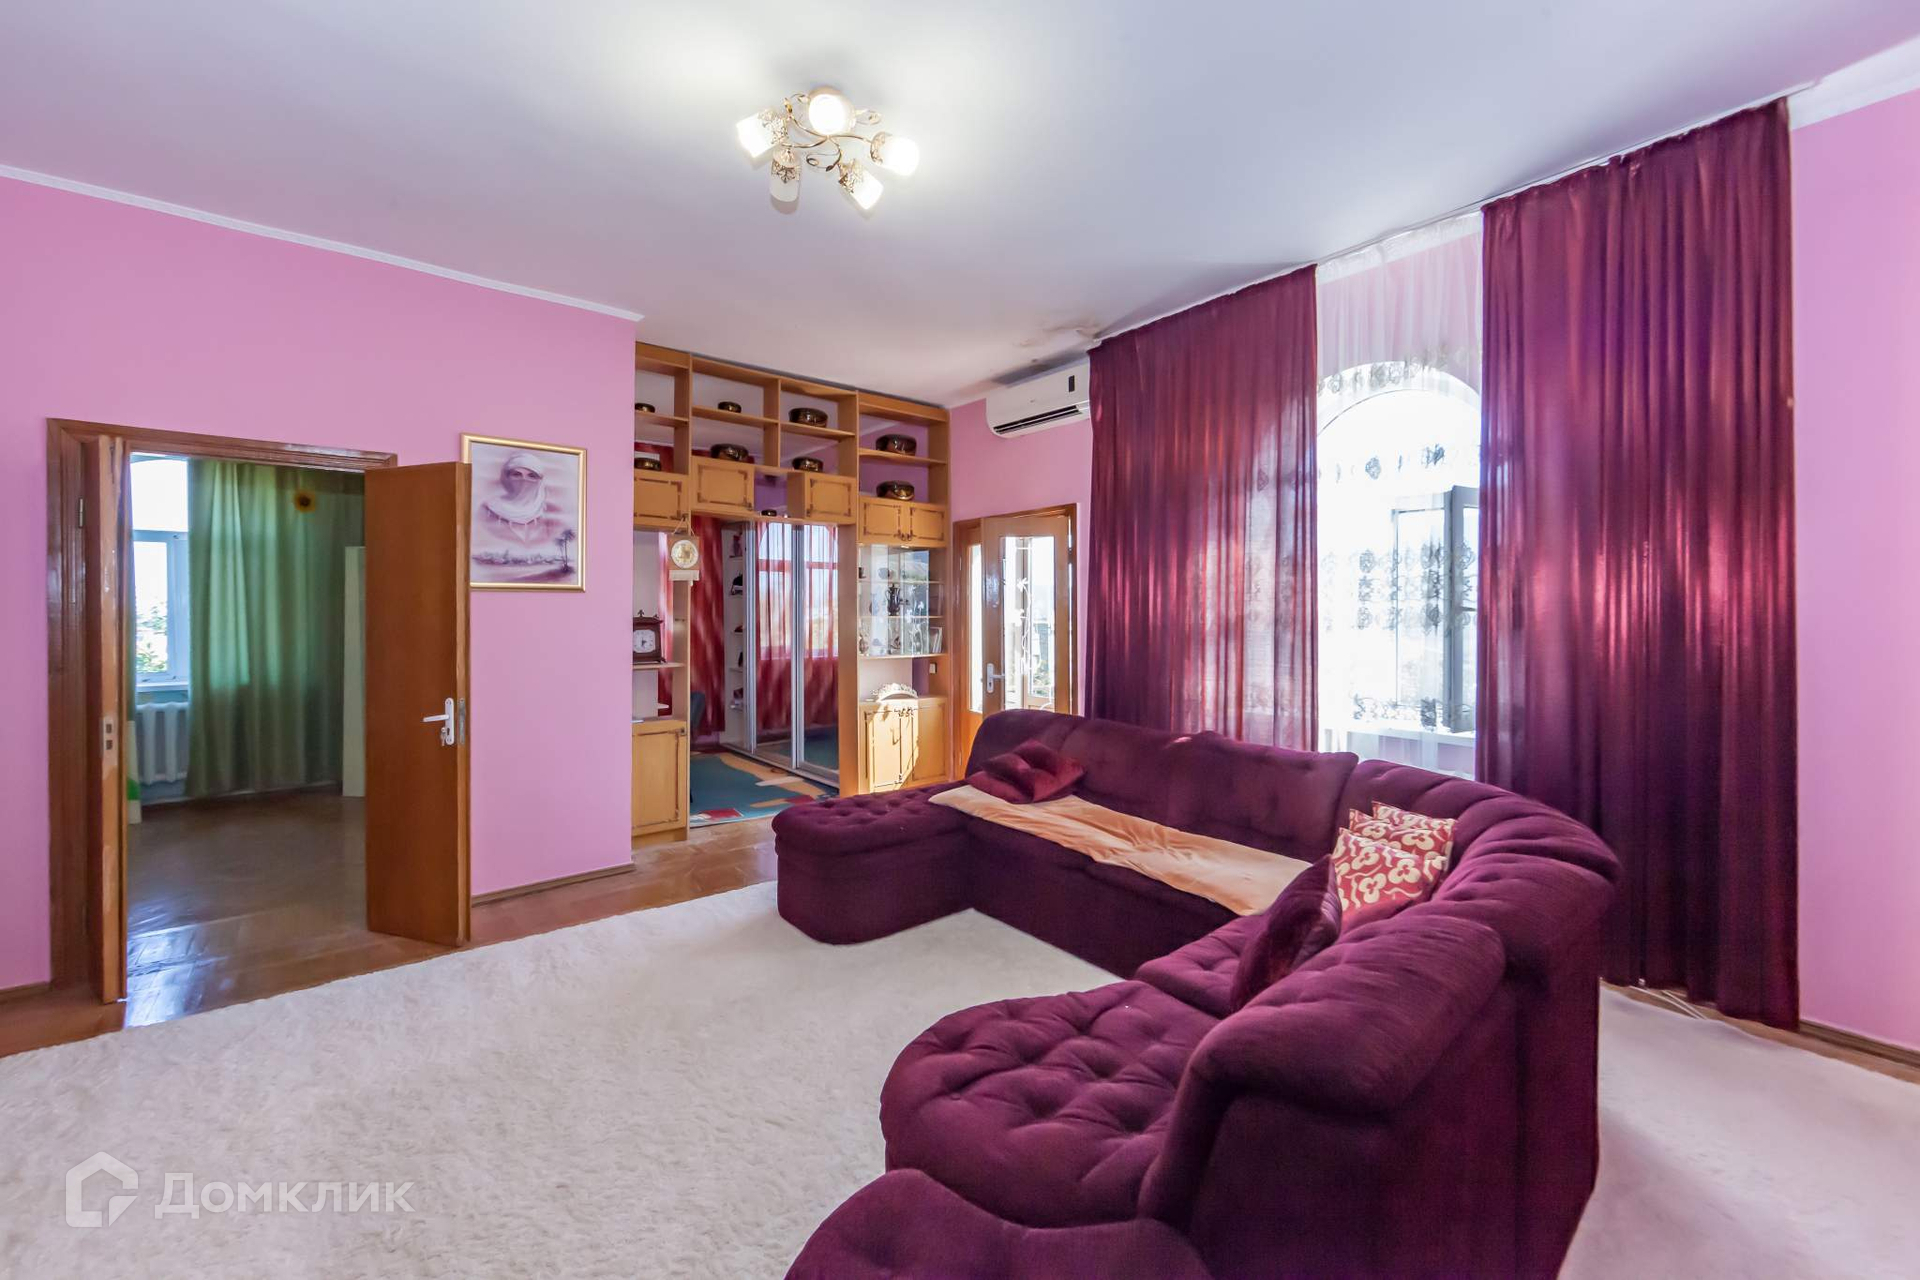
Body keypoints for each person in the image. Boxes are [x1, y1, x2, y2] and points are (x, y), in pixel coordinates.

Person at [479, 450, 554, 544]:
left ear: (540, 481)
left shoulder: (549, 512)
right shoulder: (488, 510)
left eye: (532, 476)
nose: (524, 480)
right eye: (517, 474)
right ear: (506, 479)